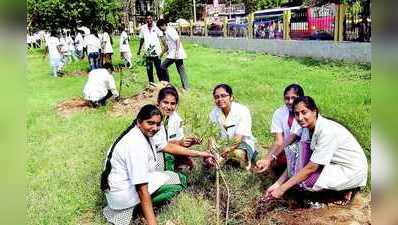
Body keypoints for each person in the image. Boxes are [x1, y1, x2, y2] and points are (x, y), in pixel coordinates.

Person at [101, 104, 213, 225]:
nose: (154, 127)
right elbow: (141, 189)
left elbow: (167, 146)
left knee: (171, 175)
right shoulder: (135, 145)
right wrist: (153, 222)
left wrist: (200, 153)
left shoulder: (140, 133)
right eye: (150, 123)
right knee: (180, 182)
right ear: (139, 122)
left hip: (121, 189)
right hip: (123, 195)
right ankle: (138, 209)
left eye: (158, 124)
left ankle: (141, 206)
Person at [262, 96, 368, 203]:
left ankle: (342, 192)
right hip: (332, 163)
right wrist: (277, 184)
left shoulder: (326, 131)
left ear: (314, 112)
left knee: (307, 180)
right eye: (297, 114)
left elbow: (311, 168)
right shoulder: (306, 128)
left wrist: (281, 190)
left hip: (350, 170)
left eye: (304, 112)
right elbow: (296, 160)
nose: (300, 117)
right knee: (297, 164)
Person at [254, 84, 305, 174]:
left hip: (304, 147)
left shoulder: (304, 113)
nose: (290, 101)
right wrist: (267, 159)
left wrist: (270, 158)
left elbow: (292, 137)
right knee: (279, 162)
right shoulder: (279, 113)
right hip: (286, 147)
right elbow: (279, 141)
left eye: (293, 98)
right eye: (287, 98)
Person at [207, 84, 258, 170]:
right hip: (223, 144)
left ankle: (246, 162)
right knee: (209, 160)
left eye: (223, 96)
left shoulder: (242, 111)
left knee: (237, 154)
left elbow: (238, 138)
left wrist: (227, 151)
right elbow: (211, 136)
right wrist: (211, 151)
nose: (220, 99)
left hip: (242, 144)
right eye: (216, 97)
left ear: (231, 97)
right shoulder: (213, 113)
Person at [153, 86, 201, 172]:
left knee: (186, 164)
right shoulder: (152, 119)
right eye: (165, 102)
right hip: (152, 154)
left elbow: (179, 141)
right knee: (161, 170)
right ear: (158, 102)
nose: (169, 107)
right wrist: (179, 143)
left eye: (172, 103)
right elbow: (159, 145)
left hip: (168, 151)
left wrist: (187, 142)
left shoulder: (176, 118)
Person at [157, 19, 190, 91]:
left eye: (160, 28)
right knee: (181, 70)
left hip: (175, 53)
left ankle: (167, 84)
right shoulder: (166, 32)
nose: (160, 30)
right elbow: (167, 47)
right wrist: (161, 54)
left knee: (163, 66)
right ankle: (186, 88)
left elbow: (177, 40)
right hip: (173, 53)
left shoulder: (169, 31)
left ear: (163, 25)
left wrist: (177, 52)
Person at [137, 12, 165, 84]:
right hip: (148, 53)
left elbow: (162, 38)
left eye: (150, 18)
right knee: (149, 70)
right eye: (147, 18)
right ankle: (151, 85)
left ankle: (161, 85)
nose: (149, 20)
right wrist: (139, 49)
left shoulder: (157, 27)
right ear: (145, 19)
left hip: (157, 52)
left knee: (159, 70)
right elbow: (142, 39)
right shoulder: (143, 28)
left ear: (152, 18)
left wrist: (165, 48)